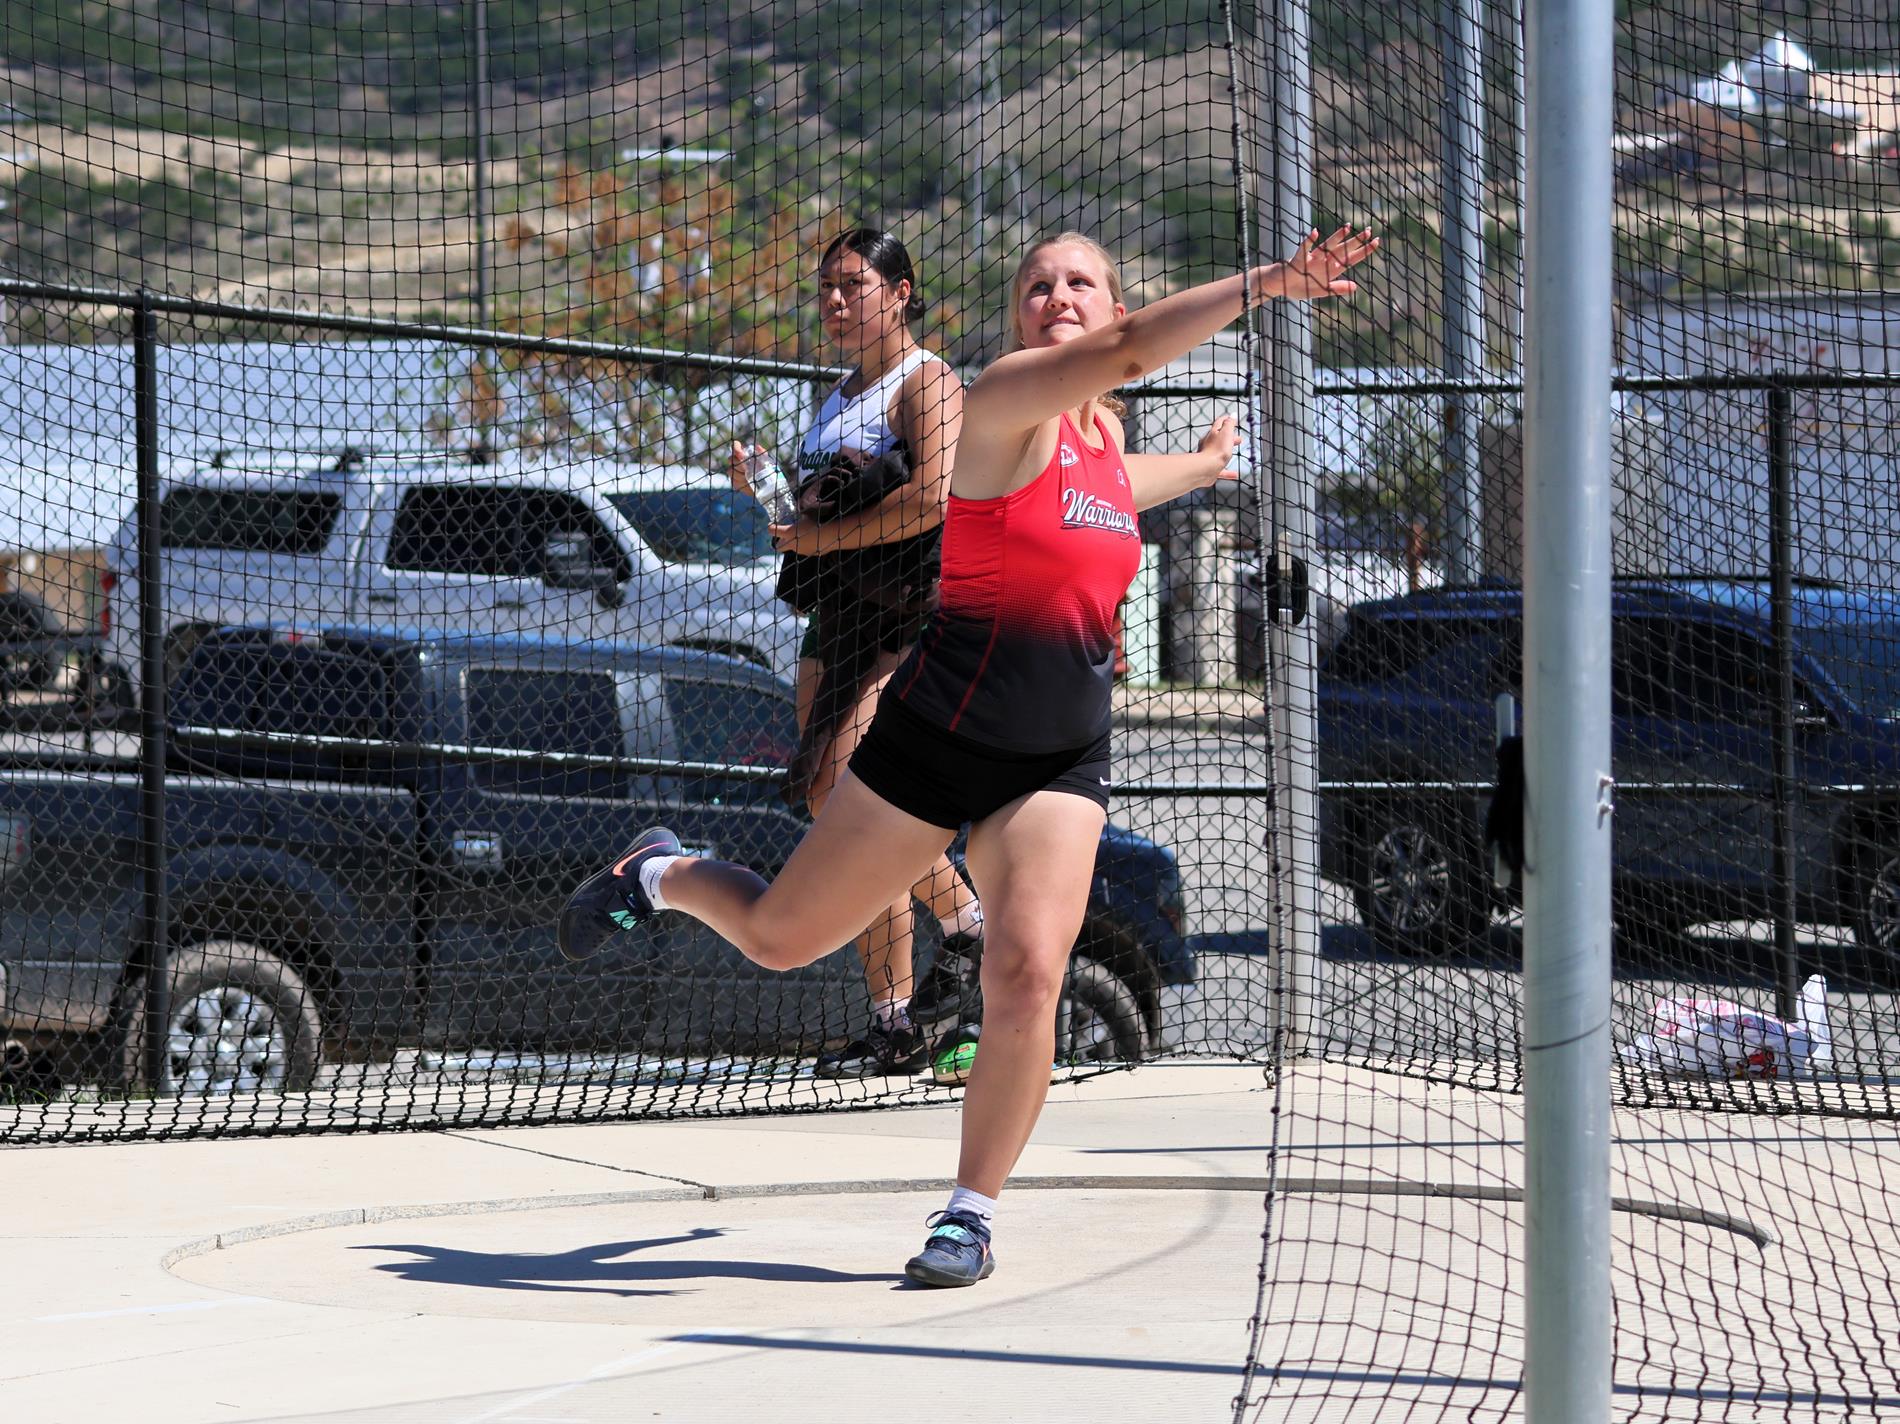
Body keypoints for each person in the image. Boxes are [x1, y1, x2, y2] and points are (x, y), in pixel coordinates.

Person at [560, 225, 1379, 1287]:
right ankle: (660, 870)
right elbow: (1127, 349)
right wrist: (1265, 281)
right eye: (1037, 284)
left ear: (1105, 291)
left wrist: (1213, 463)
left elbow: (1127, 481)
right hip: (937, 738)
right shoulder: (999, 406)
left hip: (1059, 756)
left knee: (1029, 968)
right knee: (778, 936)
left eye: (1079, 280)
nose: (1056, 295)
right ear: (1019, 316)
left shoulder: (1094, 454)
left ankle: (969, 1212)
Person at [729, 227, 985, 1077]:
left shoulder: (929, 381)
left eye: (853, 284)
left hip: (903, 615)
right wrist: (769, 492)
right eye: (826, 288)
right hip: (833, 615)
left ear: (901, 291)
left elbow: (932, 498)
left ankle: (970, 926)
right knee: (826, 804)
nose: (835, 302)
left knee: (847, 793)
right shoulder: (835, 396)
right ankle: (894, 1022)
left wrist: (819, 540)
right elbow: (818, 519)